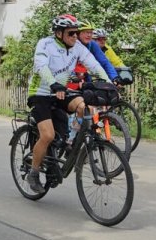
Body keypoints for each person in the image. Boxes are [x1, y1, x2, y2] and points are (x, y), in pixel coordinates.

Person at [25, 14, 111, 194]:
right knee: (47, 135)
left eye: (76, 33)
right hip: (41, 93)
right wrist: (52, 83)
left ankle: (71, 142)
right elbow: (41, 65)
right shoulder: (45, 44)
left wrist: (107, 82)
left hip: (61, 92)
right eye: (71, 33)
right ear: (59, 33)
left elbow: (93, 63)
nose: (75, 36)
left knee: (83, 107)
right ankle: (33, 173)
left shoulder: (77, 47)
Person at [67, 21, 120, 89]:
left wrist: (114, 78)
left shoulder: (92, 44)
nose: (89, 35)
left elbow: (104, 62)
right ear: (78, 33)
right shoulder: (71, 43)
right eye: (86, 32)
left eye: (91, 32)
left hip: (85, 75)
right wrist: (73, 76)